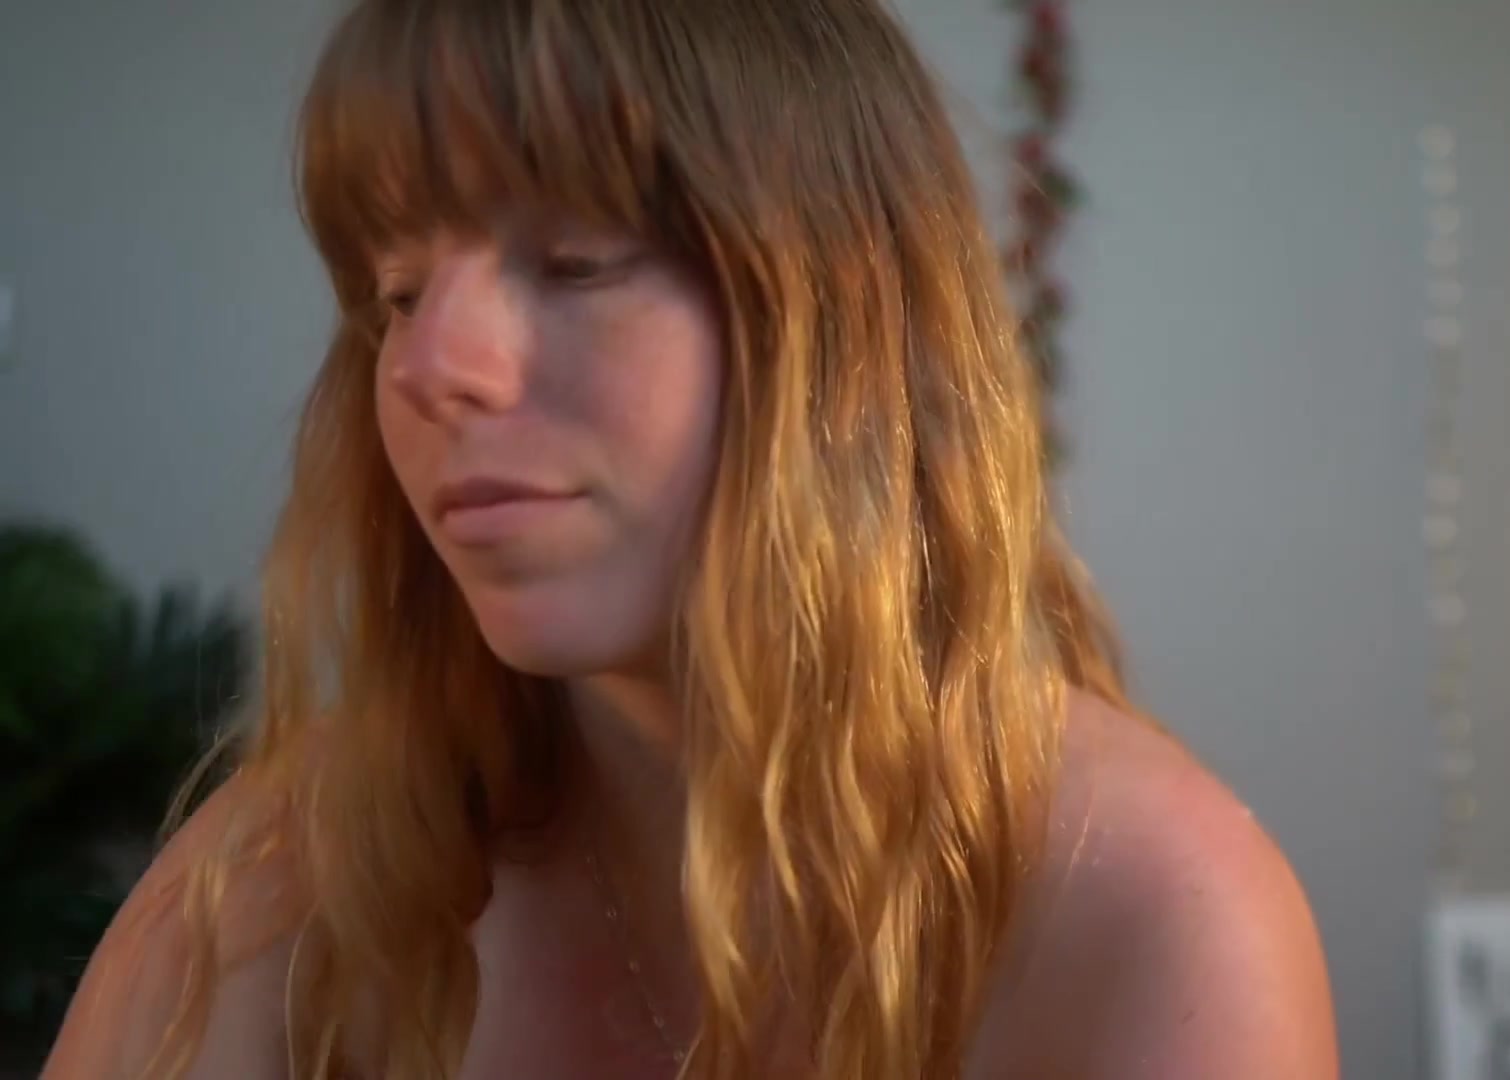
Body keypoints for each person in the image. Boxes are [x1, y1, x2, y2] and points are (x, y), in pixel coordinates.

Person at [45, 0, 1337, 1076]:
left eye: (573, 260)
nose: (432, 366)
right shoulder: (287, 892)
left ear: (840, 330)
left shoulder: (1152, 915)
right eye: (397, 292)